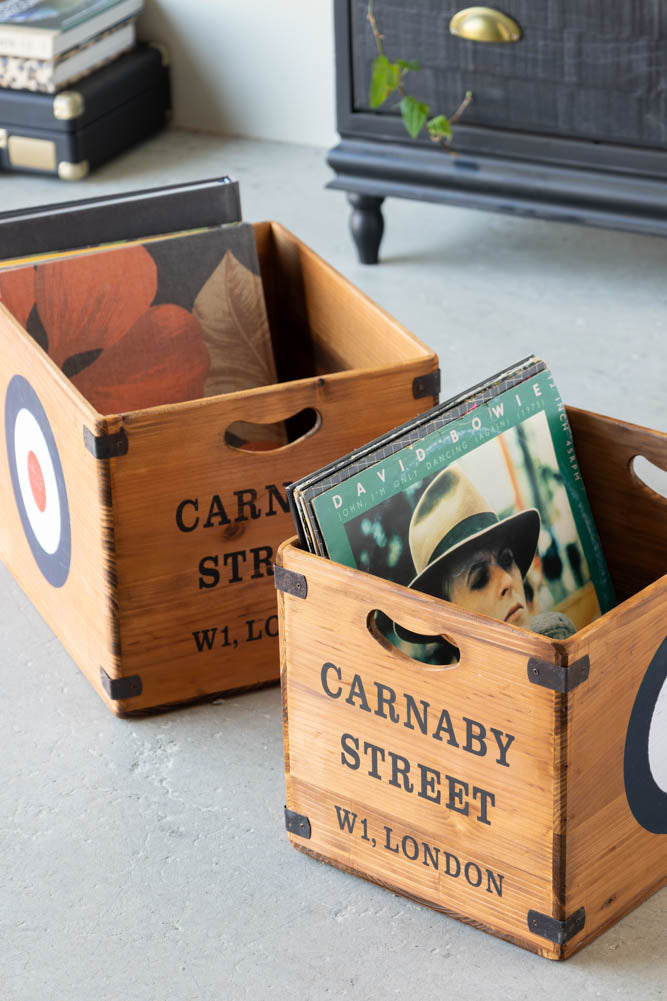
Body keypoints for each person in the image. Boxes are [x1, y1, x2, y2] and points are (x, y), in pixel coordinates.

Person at [396, 465, 575, 645]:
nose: (507, 581)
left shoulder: (556, 639)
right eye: (480, 578)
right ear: (447, 625)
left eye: (507, 560)